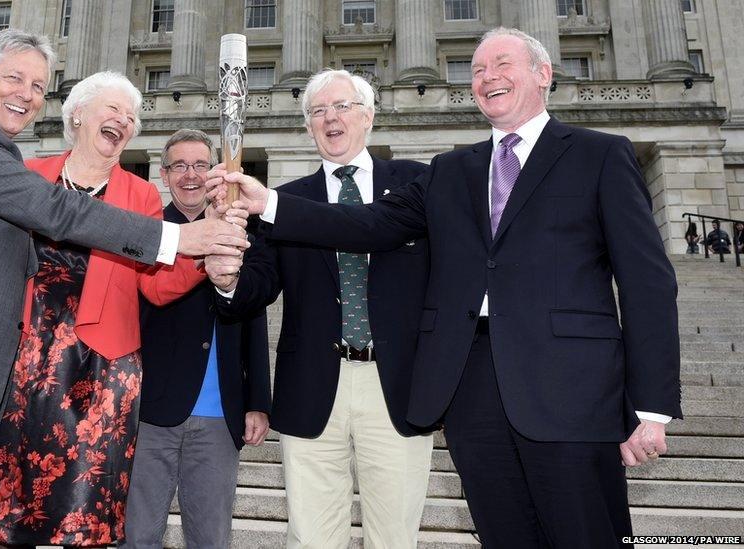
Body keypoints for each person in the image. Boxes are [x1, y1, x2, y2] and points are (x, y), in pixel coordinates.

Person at [209, 27, 681, 548]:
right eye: (477, 70)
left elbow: (646, 282)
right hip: (472, 391)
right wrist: (268, 204)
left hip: (572, 390)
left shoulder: (601, 155)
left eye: (502, 65)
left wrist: (651, 407)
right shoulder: (451, 170)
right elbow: (369, 226)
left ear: (543, 74)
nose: (487, 78)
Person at [0, 29, 248, 549]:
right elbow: (57, 210)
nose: (27, 94)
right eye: (15, 78)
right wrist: (179, 235)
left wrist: (205, 256)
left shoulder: (117, 187)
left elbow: (153, 283)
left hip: (31, 375)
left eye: (37, 85)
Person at [0, 73, 211, 547]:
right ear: (77, 114)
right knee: (12, 513)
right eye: (114, 109)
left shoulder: (140, 195)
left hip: (103, 370)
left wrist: (207, 257)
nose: (124, 120)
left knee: (89, 521)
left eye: (131, 116)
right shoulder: (28, 174)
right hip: (21, 362)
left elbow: (157, 288)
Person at [208, 70, 434, 548]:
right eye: (318, 111)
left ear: (369, 116)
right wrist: (227, 279)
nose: (330, 118)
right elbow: (260, 285)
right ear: (308, 126)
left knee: (395, 538)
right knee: (310, 538)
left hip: (397, 386)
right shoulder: (286, 200)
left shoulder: (417, 182)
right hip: (312, 386)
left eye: (343, 107)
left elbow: (373, 230)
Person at [122, 129, 272, 548]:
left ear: (214, 174)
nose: (190, 175)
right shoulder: (144, 231)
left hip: (219, 411)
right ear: (165, 174)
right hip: (150, 409)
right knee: (137, 536)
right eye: (179, 166)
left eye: (201, 165)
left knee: (210, 538)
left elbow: (254, 316)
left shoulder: (243, 229)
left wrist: (258, 399)